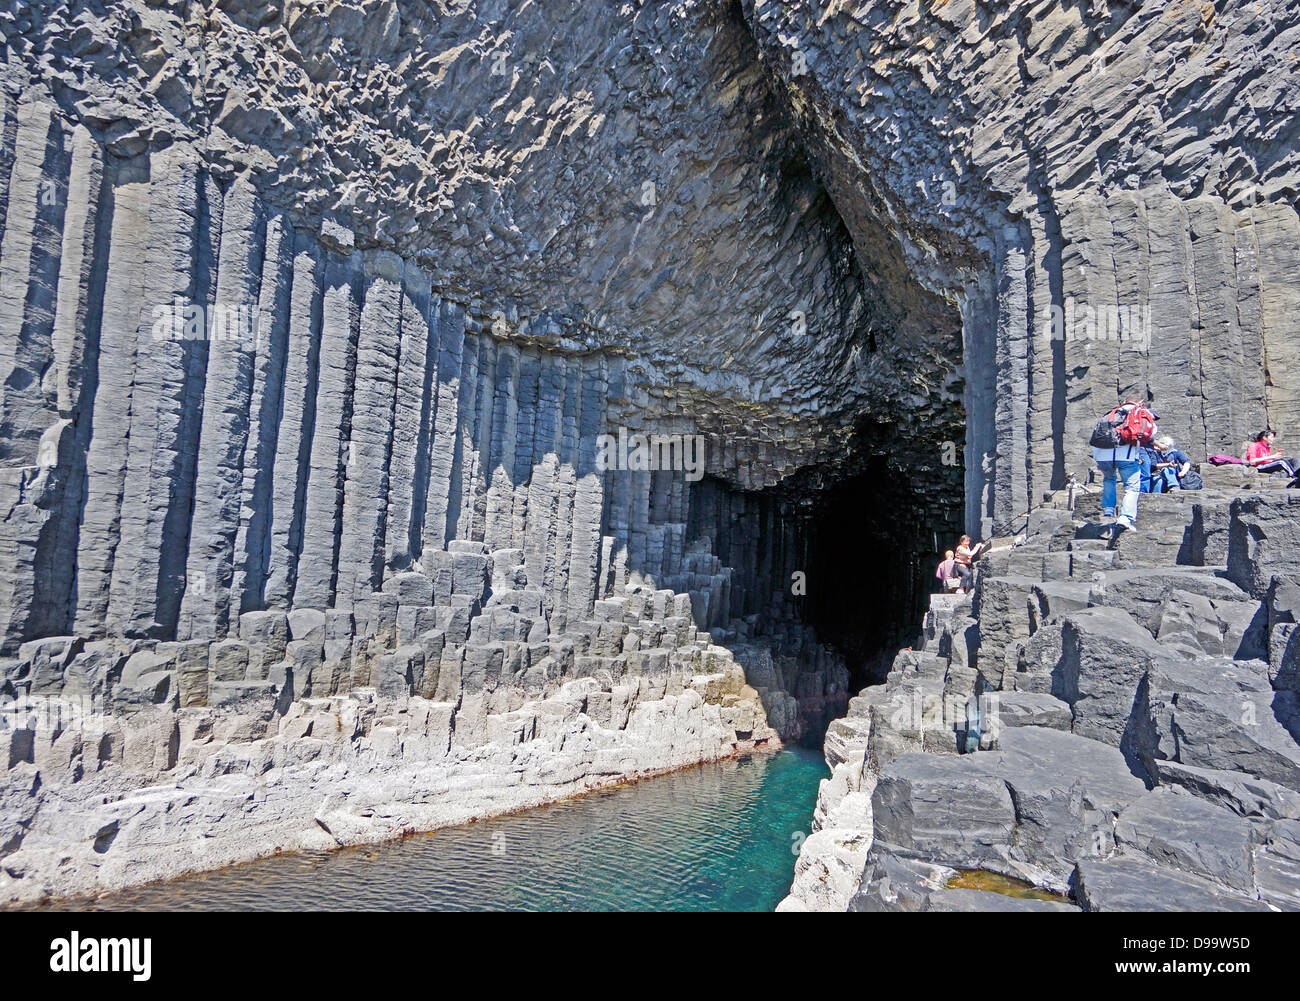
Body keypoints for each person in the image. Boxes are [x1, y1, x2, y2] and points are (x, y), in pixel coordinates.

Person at [1093, 398, 1152, 535]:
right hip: (1126, 455)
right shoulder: (1139, 413)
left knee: (1109, 479)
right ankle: (1125, 518)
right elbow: (1151, 432)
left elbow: (1096, 435)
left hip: (1103, 455)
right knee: (1131, 487)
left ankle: (1108, 509)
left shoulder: (1109, 415)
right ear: (1139, 401)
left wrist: (1097, 459)